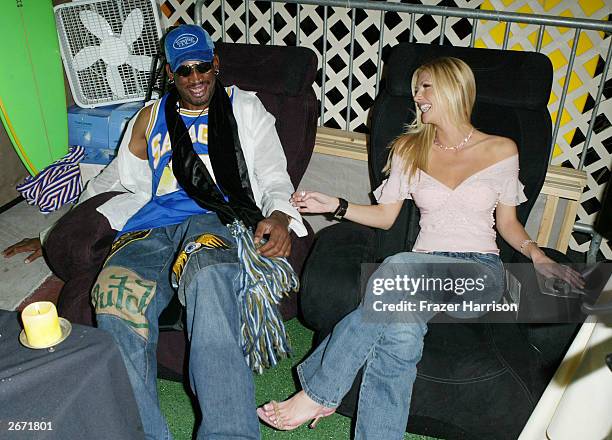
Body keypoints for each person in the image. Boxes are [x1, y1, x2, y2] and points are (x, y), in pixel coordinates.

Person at [257, 57, 584, 438]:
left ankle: (321, 391)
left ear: (453, 88)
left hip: (478, 274)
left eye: (425, 86)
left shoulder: (500, 150)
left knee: (396, 269)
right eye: (415, 88)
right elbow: (385, 216)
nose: (417, 96)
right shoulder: (407, 149)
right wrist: (335, 205)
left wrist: (537, 255)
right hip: (419, 275)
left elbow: (509, 223)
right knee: (400, 336)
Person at [50, 24, 302, 440]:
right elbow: (115, 177)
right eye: (184, 70)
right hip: (150, 226)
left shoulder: (245, 109)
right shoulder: (148, 117)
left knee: (210, 278)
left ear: (216, 63)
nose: (196, 77)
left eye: (203, 65)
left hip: (215, 219)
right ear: (170, 73)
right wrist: (57, 226)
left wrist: (279, 215)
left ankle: (229, 433)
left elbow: (275, 176)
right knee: (114, 297)